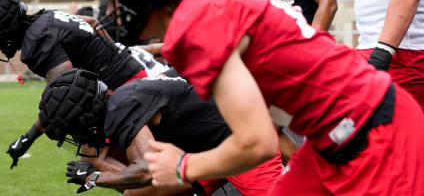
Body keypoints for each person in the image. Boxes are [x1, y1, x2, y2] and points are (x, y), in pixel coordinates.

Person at [86, 0, 424, 195]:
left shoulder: (197, 22)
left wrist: (184, 166)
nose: (113, 6)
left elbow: (256, 143)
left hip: (373, 135)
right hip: (344, 131)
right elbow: (274, 86)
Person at [0, 0, 168, 169]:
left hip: (127, 86)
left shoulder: (36, 42)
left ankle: (152, 186)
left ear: (5, 32)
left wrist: (28, 138)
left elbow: (66, 100)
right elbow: (93, 22)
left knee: (94, 160)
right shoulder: (46, 18)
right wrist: (113, 52)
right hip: (132, 70)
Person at [38, 69, 282, 195]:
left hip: (240, 149)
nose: (78, 138)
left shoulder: (120, 110)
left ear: (85, 117)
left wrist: (94, 178)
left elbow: (147, 170)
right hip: (211, 152)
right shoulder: (124, 97)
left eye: (74, 130)